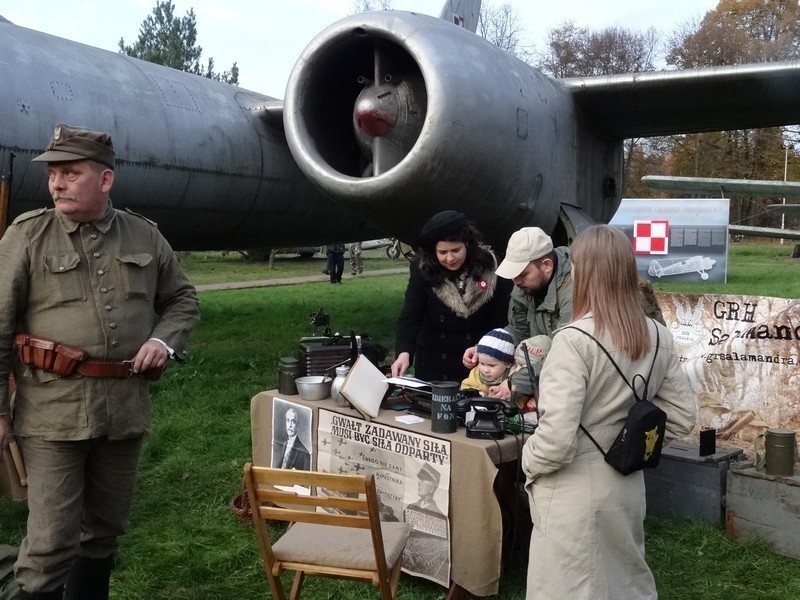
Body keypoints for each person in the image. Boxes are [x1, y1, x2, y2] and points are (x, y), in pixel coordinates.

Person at [0, 124, 200, 600]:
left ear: (105, 180)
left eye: (70, 173)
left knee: (103, 533)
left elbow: (183, 299)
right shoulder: (27, 236)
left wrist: (164, 342)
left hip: (123, 409)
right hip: (53, 413)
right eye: (53, 174)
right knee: (50, 543)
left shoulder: (144, 235)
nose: (56, 183)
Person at [520, 225, 696, 600]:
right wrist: (630, 434)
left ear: (581, 272)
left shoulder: (571, 341)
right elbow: (682, 416)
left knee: (567, 589)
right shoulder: (657, 335)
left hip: (571, 491)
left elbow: (554, 443)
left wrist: (526, 461)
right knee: (624, 585)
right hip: (627, 483)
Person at [391, 211, 512, 383]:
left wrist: (483, 348)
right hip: (434, 364)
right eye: (442, 252)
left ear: (468, 244)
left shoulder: (490, 268)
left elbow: (501, 318)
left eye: (456, 250)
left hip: (478, 365)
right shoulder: (422, 270)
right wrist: (404, 353)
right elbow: (411, 315)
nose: (450, 258)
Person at [462, 226, 572, 398]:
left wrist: (516, 382)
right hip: (540, 376)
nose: (516, 281)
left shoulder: (574, 290)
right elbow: (518, 330)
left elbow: (568, 352)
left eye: (522, 274)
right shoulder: (524, 286)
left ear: (546, 265)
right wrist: (485, 348)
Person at [460, 328, 515, 395]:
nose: (485, 370)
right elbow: (465, 386)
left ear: (508, 363)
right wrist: (476, 393)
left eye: (491, 365)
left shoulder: (513, 377)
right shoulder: (476, 374)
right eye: (482, 363)